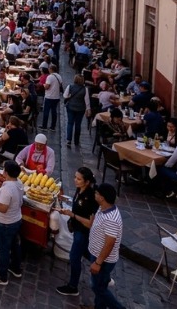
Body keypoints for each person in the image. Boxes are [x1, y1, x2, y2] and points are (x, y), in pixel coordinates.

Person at [55, 167, 99, 296]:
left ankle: (73, 286)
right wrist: (63, 198)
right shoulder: (80, 189)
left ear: (86, 181)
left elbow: (90, 223)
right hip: (77, 228)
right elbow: (76, 203)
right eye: (75, 177)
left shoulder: (91, 197)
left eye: (78, 179)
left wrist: (72, 215)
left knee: (75, 258)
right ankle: (102, 272)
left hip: (82, 232)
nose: (75, 180)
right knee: (86, 253)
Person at [86, 183, 125, 309]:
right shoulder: (102, 207)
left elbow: (109, 243)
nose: (95, 195)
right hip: (96, 253)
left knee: (98, 288)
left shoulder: (111, 219)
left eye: (97, 193)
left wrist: (98, 263)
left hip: (104, 260)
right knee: (100, 285)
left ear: (102, 197)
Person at [63, 74, 91, 148]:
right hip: (80, 109)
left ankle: (69, 140)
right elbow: (87, 100)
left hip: (71, 107)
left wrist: (70, 96)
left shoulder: (70, 86)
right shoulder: (85, 89)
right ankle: (76, 141)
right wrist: (88, 109)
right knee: (78, 124)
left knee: (70, 123)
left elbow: (65, 96)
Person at [40, 64, 63, 130]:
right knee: (54, 112)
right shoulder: (59, 76)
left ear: (51, 69)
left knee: (46, 111)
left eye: (49, 68)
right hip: (56, 97)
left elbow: (47, 87)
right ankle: (53, 126)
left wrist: (44, 85)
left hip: (49, 96)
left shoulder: (50, 77)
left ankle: (44, 126)